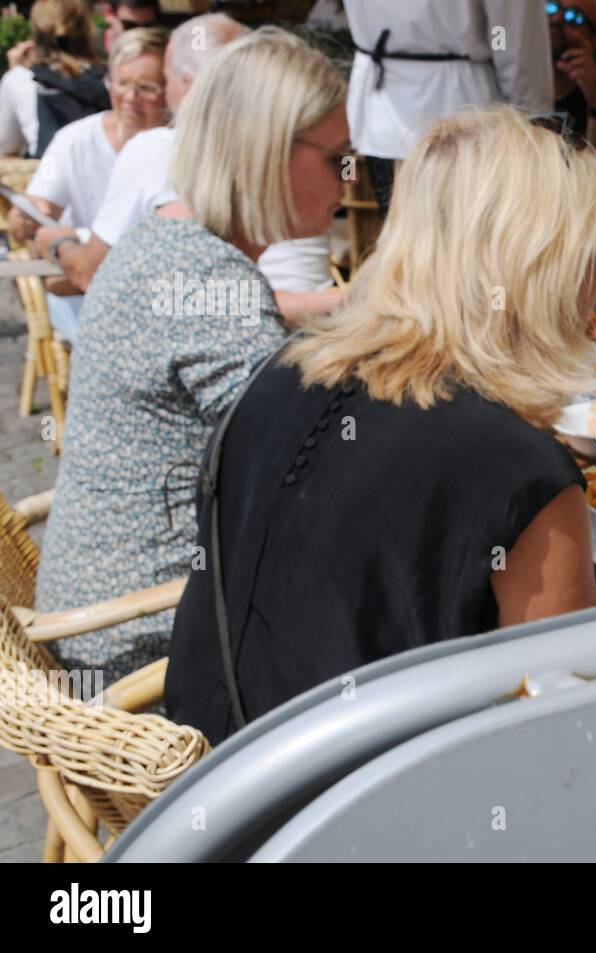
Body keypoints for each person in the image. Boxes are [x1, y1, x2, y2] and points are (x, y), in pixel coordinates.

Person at [165, 107, 596, 744]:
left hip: (208, 779)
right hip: (347, 821)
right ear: (539, 271)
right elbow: (562, 734)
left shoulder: (276, 377)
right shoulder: (524, 475)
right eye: (590, 258)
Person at [34, 29, 349, 685]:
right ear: (269, 152)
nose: (350, 178)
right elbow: (317, 472)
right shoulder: (214, 282)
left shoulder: (160, 243)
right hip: (149, 653)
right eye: (338, 158)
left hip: (98, 620)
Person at [41, 13, 343, 326]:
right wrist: (345, 301)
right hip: (308, 324)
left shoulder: (156, 149)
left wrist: (56, 243)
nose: (344, 181)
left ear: (186, 85)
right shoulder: (290, 149)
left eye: (158, 83)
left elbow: (90, 273)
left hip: (250, 327)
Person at [8, 27, 169, 344]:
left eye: (146, 88)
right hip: (82, 290)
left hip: (151, 294)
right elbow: (39, 205)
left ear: (171, 90)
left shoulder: (178, 147)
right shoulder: (74, 140)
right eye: (121, 83)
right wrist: (28, 214)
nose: (130, 97)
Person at [342, 0, 553, 211]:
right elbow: (509, 35)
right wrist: (530, 117)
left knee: (397, 229)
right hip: (463, 110)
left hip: (380, 111)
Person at [0, 0, 105, 157]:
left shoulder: (20, 79)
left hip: (49, 170)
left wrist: (16, 73)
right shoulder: (108, 75)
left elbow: (7, 144)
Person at [550, 0, 596, 158]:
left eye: (575, 17)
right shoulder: (515, 83)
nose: (556, 19)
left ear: (595, 42)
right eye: (552, 7)